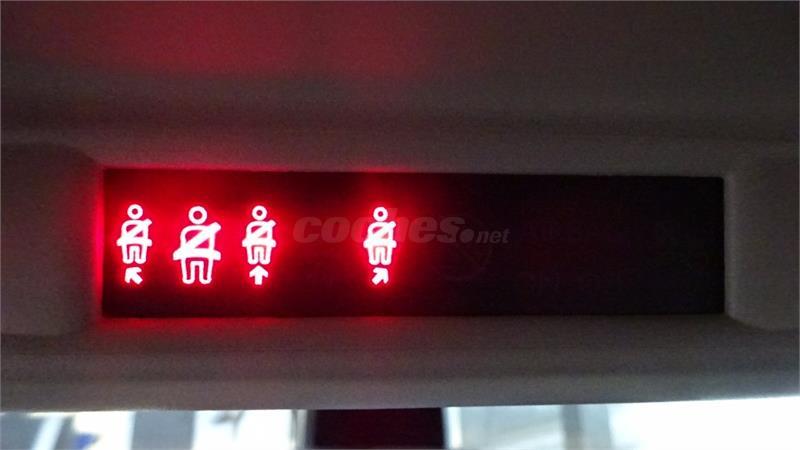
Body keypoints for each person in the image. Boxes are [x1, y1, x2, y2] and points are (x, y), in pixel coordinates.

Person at [172, 206, 221, 285]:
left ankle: (197, 277)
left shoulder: (186, 230)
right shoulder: (187, 230)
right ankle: (198, 277)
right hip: (202, 254)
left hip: (199, 254)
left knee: (197, 273)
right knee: (195, 274)